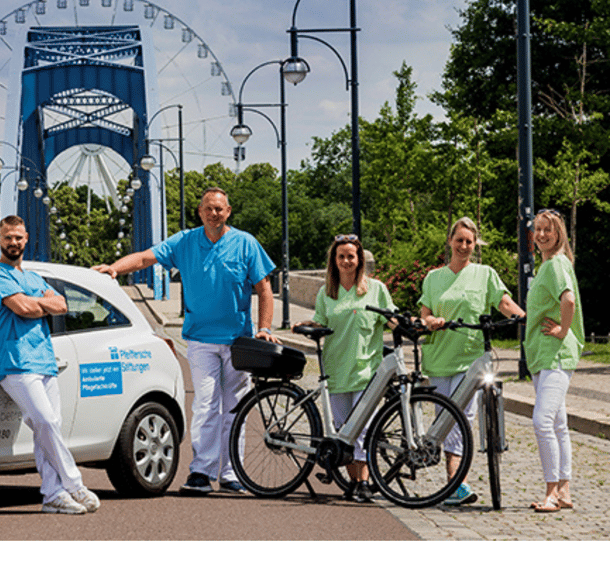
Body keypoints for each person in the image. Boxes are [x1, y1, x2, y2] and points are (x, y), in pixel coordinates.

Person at [93, 187, 279, 495]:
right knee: (205, 404)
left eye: (219, 209)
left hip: (238, 341)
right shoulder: (185, 241)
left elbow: (264, 288)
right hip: (201, 340)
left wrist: (264, 327)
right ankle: (201, 472)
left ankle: (232, 473)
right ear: (200, 211)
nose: (214, 213)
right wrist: (114, 268)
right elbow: (144, 258)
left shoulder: (246, 243)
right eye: (208, 208)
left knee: (235, 408)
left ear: (228, 212)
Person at [0, 215, 100, 515]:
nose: (13, 242)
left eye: (18, 237)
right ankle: (74, 483)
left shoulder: (34, 278)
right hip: (14, 361)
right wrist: (37, 304)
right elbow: (23, 308)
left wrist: (36, 304)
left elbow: (61, 305)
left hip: (44, 360)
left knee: (47, 428)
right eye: (8, 237)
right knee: (45, 422)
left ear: (26, 238)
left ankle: (52, 494)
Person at [418, 216, 524, 506]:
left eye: (469, 241)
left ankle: (457, 484)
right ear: (450, 241)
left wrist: (525, 318)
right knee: (447, 422)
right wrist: (431, 321)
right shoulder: (433, 277)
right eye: (459, 240)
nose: (464, 246)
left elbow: (503, 303)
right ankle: (455, 484)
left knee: (463, 420)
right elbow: (424, 313)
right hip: (441, 357)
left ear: (475, 244)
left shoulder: (485, 273)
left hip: (472, 358)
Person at [294, 234, 394, 503]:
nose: (347, 261)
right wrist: (307, 325)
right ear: (334, 261)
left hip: (366, 369)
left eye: (351, 256)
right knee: (343, 431)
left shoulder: (376, 289)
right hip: (337, 368)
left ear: (359, 259)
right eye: (341, 257)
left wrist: (405, 323)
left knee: (363, 429)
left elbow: (390, 318)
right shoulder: (327, 292)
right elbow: (320, 320)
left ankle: (363, 482)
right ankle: (355, 483)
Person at [524, 209, 583, 513]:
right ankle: (563, 490)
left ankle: (550, 493)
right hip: (544, 354)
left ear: (559, 232)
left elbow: (568, 299)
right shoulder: (547, 265)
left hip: (554, 354)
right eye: (538, 230)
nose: (542, 234)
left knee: (542, 421)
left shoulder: (557, 263)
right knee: (559, 424)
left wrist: (563, 328)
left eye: (548, 229)